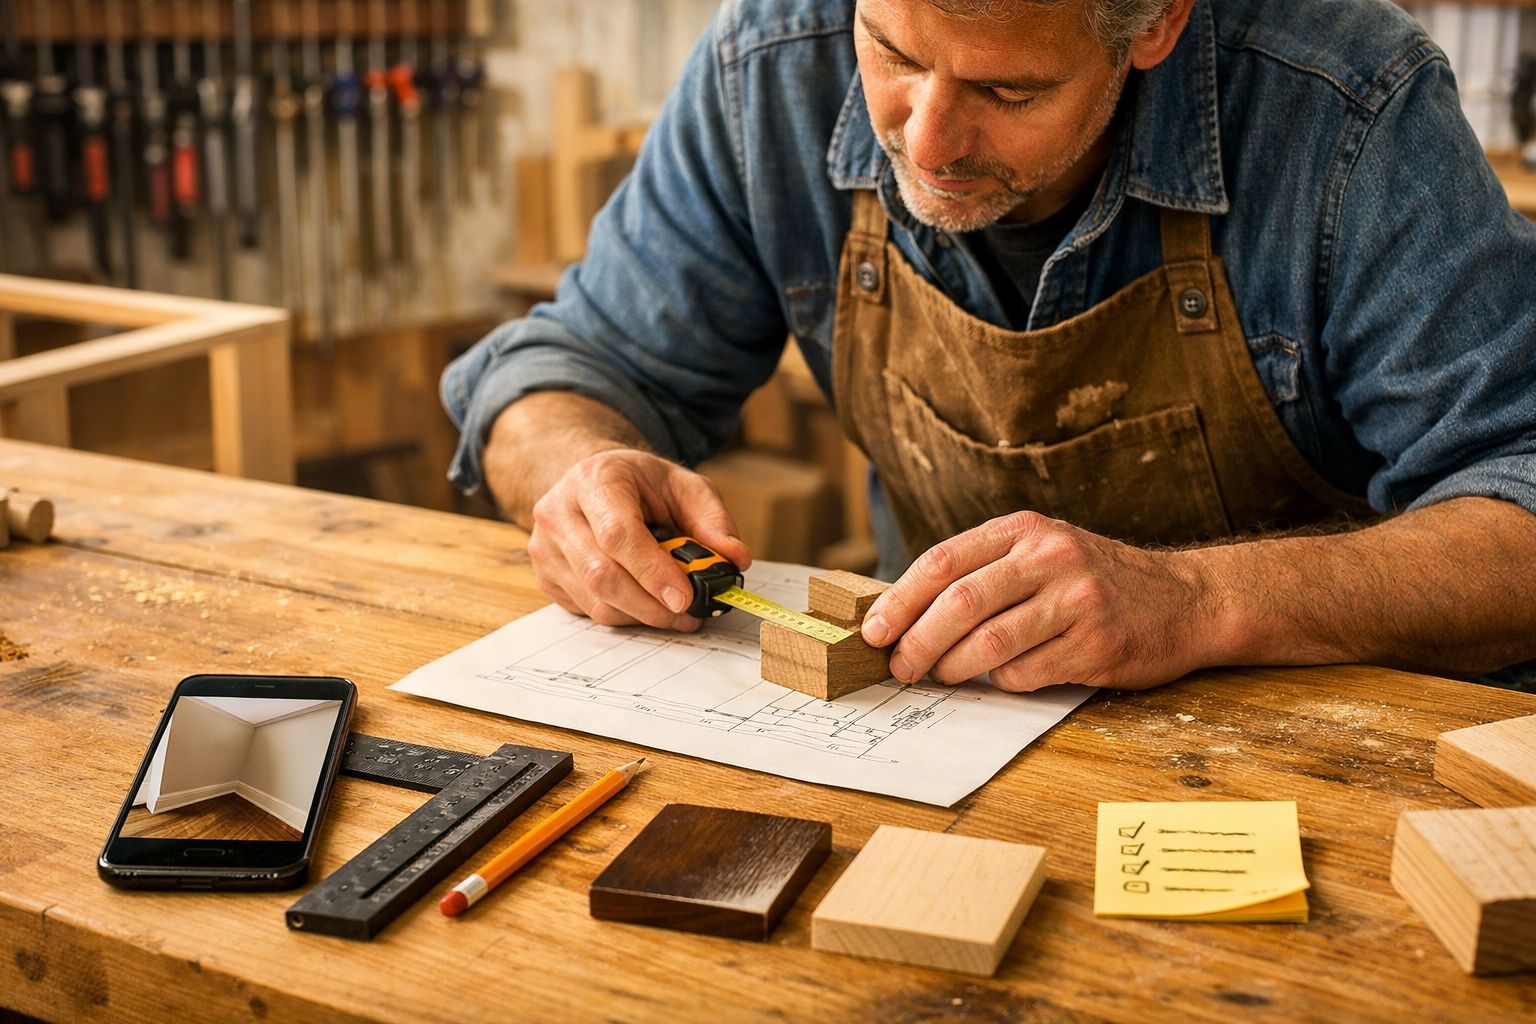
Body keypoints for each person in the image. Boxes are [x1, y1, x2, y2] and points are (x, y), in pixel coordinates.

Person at [443, 0, 1536, 694]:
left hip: (1305, 750)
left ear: (1153, 26)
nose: (925, 143)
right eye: (893, 53)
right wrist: (573, 474)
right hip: (929, 724)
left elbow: (1520, 514)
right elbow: (568, 368)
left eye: (1009, 90)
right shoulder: (768, 61)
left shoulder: (1349, 106)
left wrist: (1200, 603)